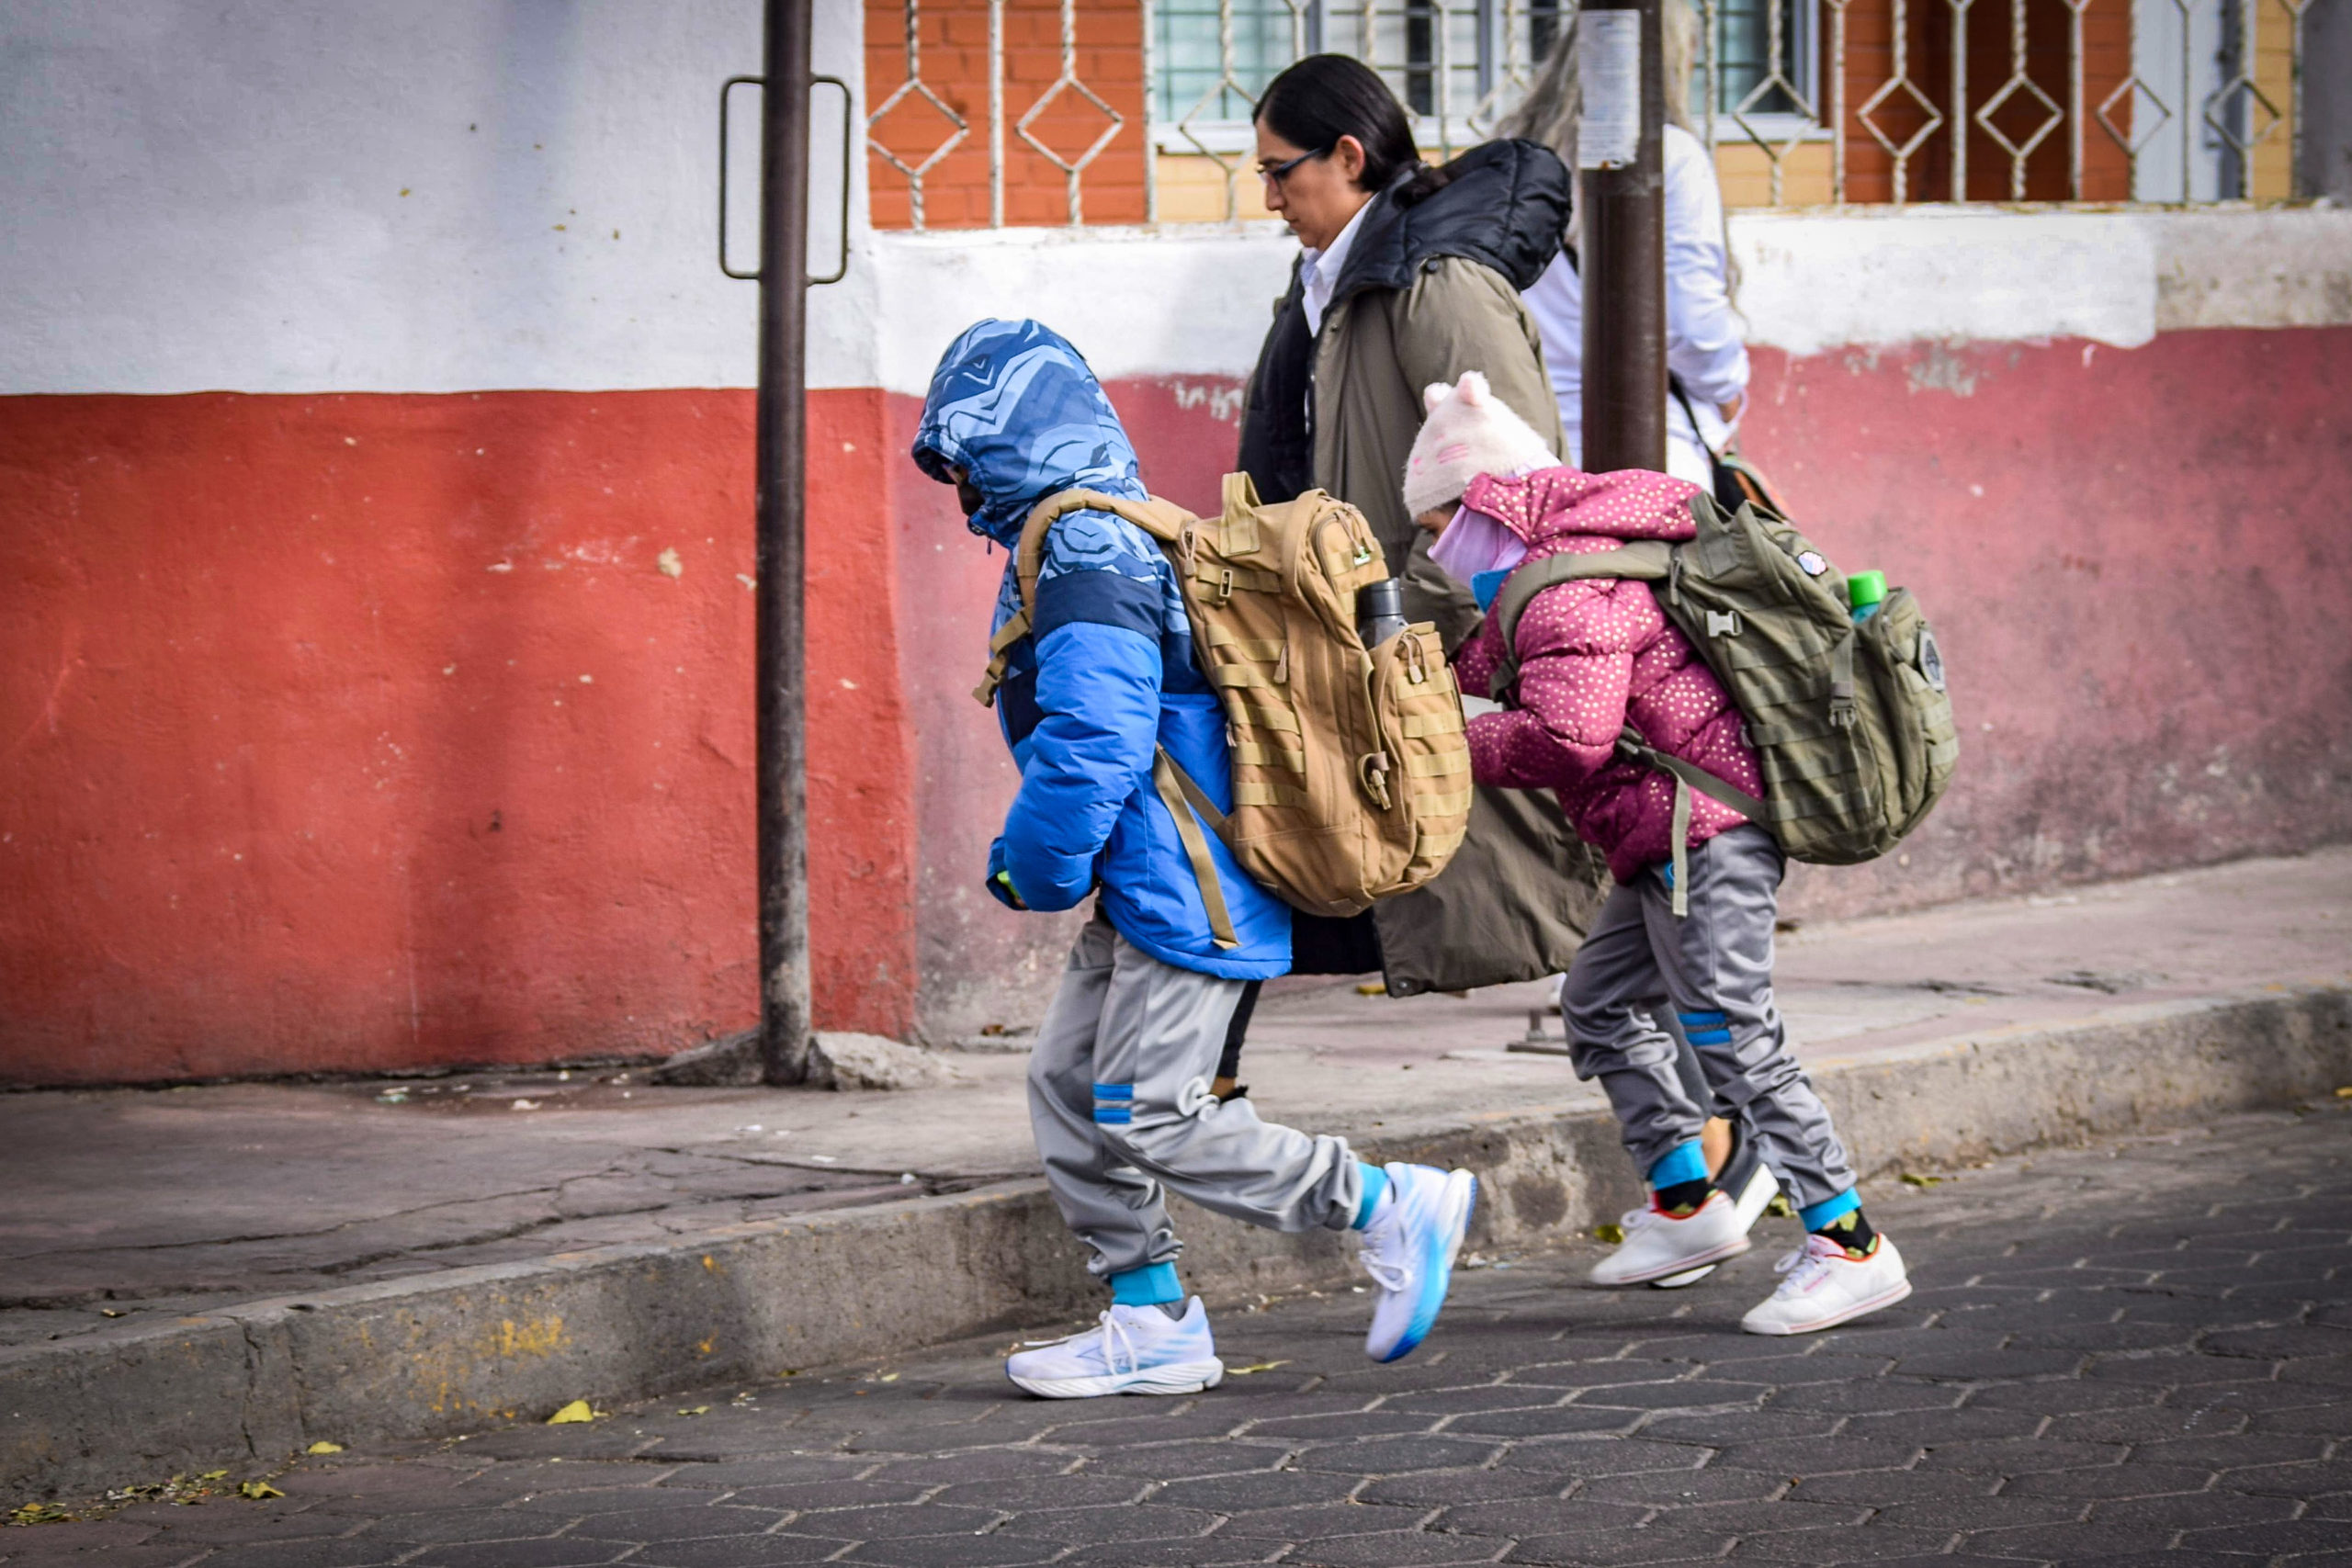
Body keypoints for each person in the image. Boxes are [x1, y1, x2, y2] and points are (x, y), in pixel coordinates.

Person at [910, 319, 1479, 1396]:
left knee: (1153, 1111)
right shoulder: (1099, 527)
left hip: (1190, 881)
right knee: (1073, 1086)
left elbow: (1096, 740)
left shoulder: (1086, 548)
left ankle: (1382, 1201)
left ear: (1005, 434)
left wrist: (1033, 866)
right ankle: (1150, 1319)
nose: (958, 486)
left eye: (965, 455)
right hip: (1155, 879)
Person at [1405, 376, 1912, 1336]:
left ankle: (1848, 1242)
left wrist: (1440, 746)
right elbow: (1495, 668)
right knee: (1597, 1004)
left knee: (1732, 1028)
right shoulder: (1559, 570)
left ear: (1480, 501)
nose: (1434, 549)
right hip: (1665, 835)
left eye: (1436, 524)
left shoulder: (1567, 584)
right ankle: (1687, 1207)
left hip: (1701, 834)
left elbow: (1567, 737)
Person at [1233, 51, 1610, 1007]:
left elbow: (1512, 487)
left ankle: (1708, 1134)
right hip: (1345, 653)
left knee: (1572, 963)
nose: (1269, 196)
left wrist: (1404, 635)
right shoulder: (1327, 280)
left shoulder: (1433, 285)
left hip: (1414, 649)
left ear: (1349, 156)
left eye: (1281, 171)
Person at [1497, 0, 1750, 489]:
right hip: (1652, 456)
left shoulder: (1512, 159)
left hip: (1524, 460)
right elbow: (1691, 321)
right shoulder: (1670, 155)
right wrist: (1726, 388)